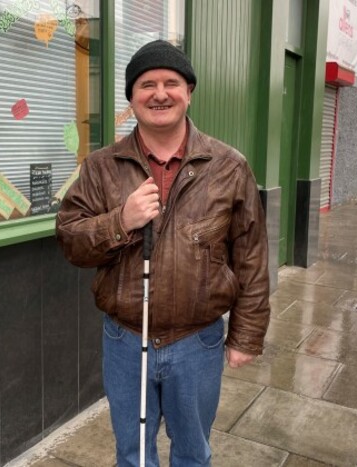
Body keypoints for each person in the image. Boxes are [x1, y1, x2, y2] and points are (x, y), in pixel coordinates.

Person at [56, 40, 270, 466]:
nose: (159, 93)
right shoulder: (101, 167)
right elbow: (71, 240)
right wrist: (121, 220)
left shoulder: (228, 167)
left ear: (189, 92)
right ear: (132, 99)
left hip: (198, 341)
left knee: (193, 451)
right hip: (124, 338)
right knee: (133, 452)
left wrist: (246, 336)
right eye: (146, 85)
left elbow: (251, 256)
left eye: (171, 83)